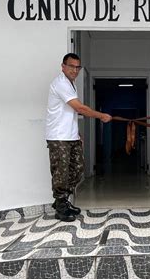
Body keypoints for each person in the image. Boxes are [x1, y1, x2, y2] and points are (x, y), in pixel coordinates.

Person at [45, 53, 112, 222]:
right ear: (63, 66)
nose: (75, 70)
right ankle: (61, 207)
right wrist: (101, 116)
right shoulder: (60, 83)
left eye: (77, 67)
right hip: (59, 136)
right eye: (71, 66)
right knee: (61, 171)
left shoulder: (71, 84)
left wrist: (77, 133)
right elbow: (79, 109)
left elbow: (68, 113)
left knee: (78, 168)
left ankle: (61, 201)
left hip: (70, 135)